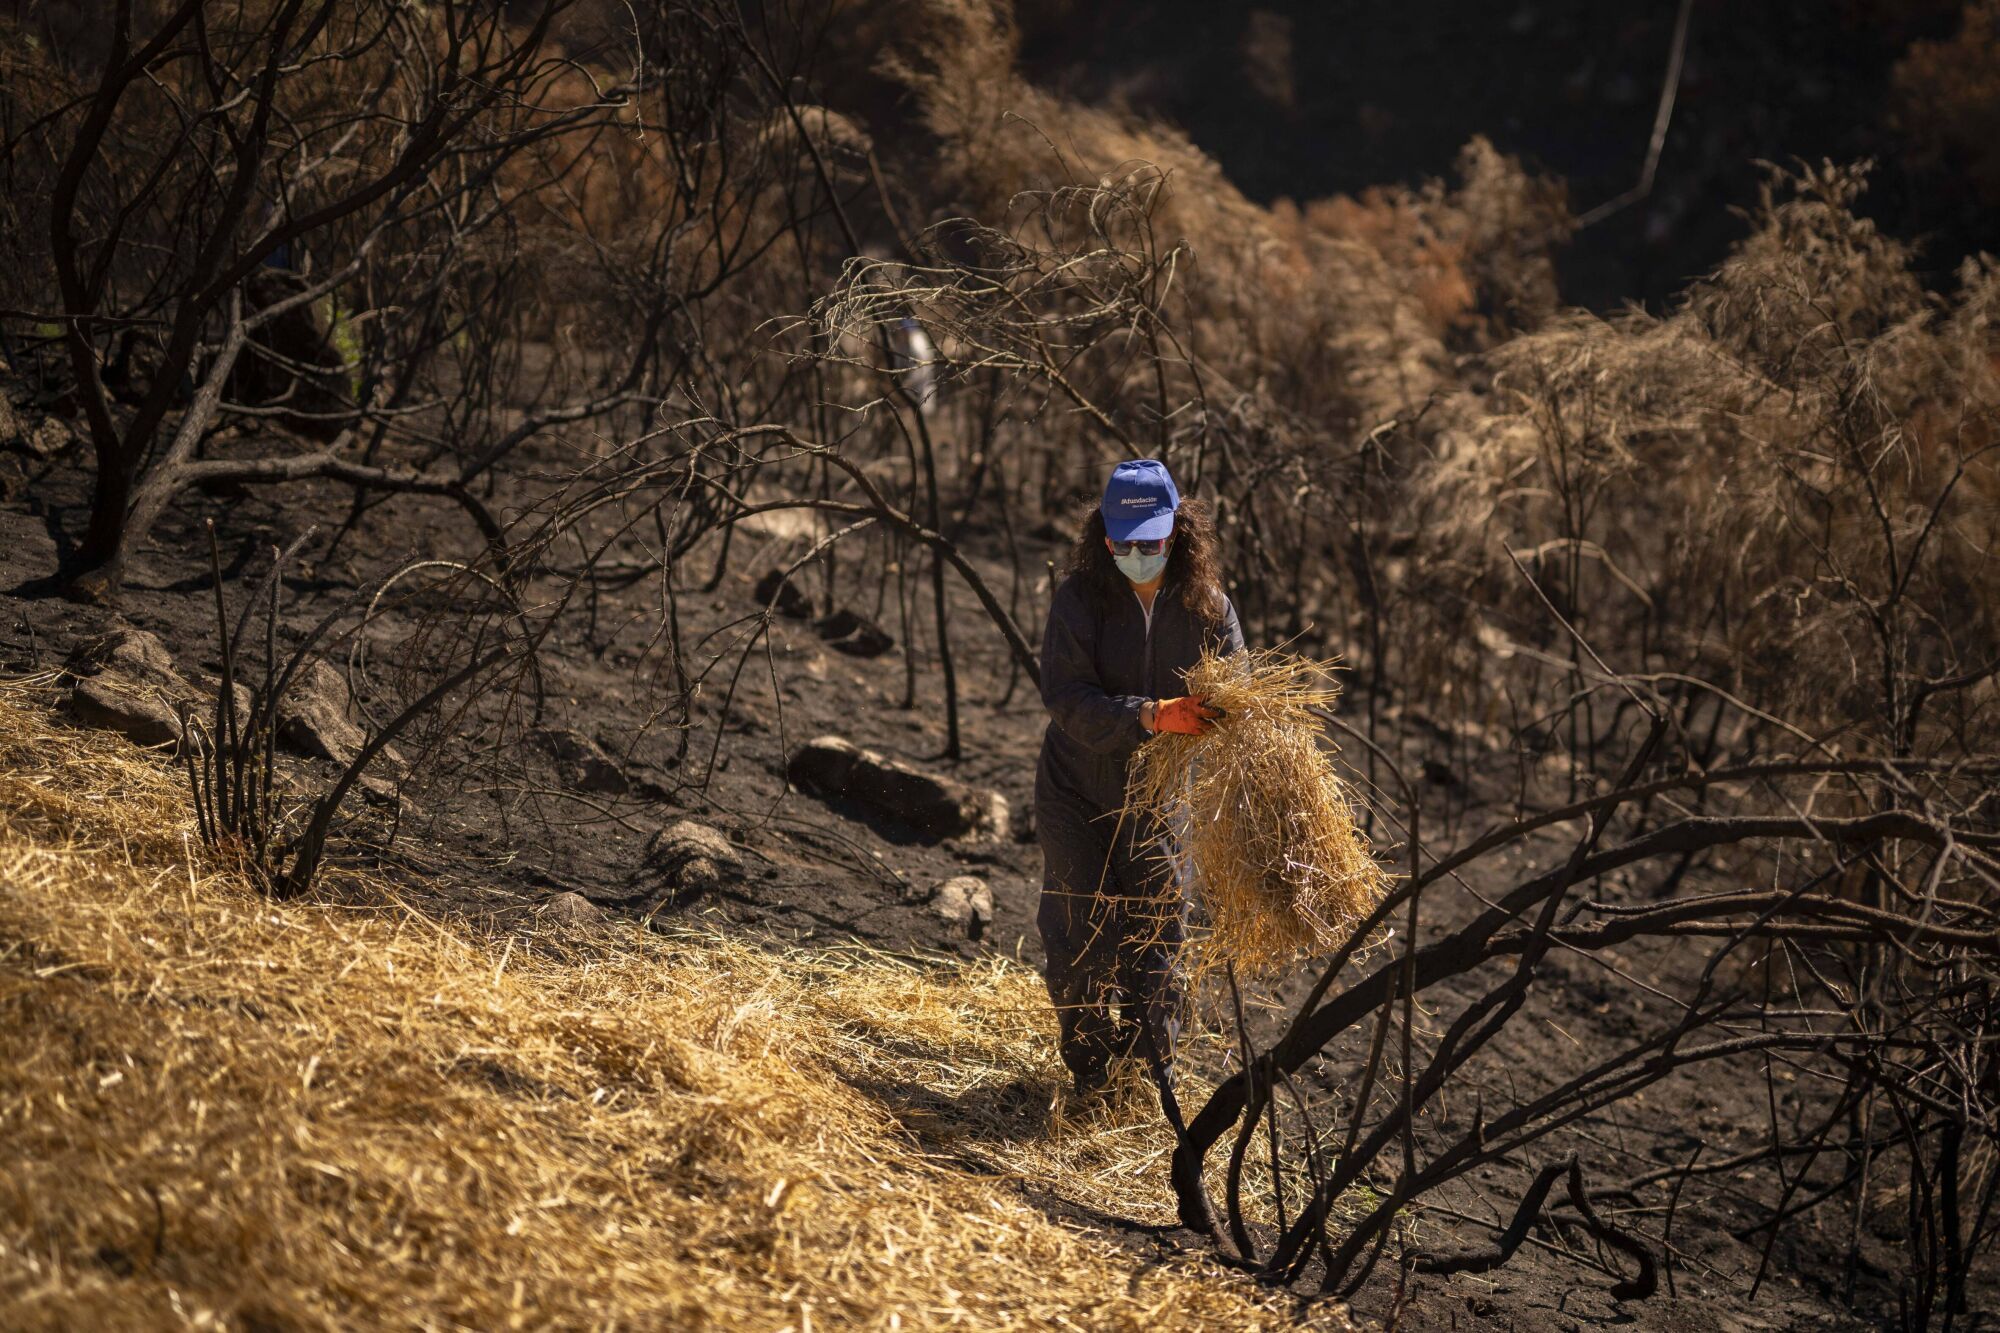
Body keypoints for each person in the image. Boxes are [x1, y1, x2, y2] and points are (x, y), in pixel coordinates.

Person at [1035, 458, 1245, 1115]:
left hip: (1158, 801)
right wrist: (1149, 715)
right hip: (1076, 788)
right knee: (1078, 937)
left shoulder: (1208, 607)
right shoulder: (1079, 599)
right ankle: (1090, 1080)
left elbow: (1238, 687)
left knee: (1157, 943)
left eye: (1149, 543)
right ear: (1104, 540)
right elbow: (1066, 696)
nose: (1136, 555)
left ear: (1177, 536)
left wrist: (1229, 715)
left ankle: (1142, 1085)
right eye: (1122, 543)